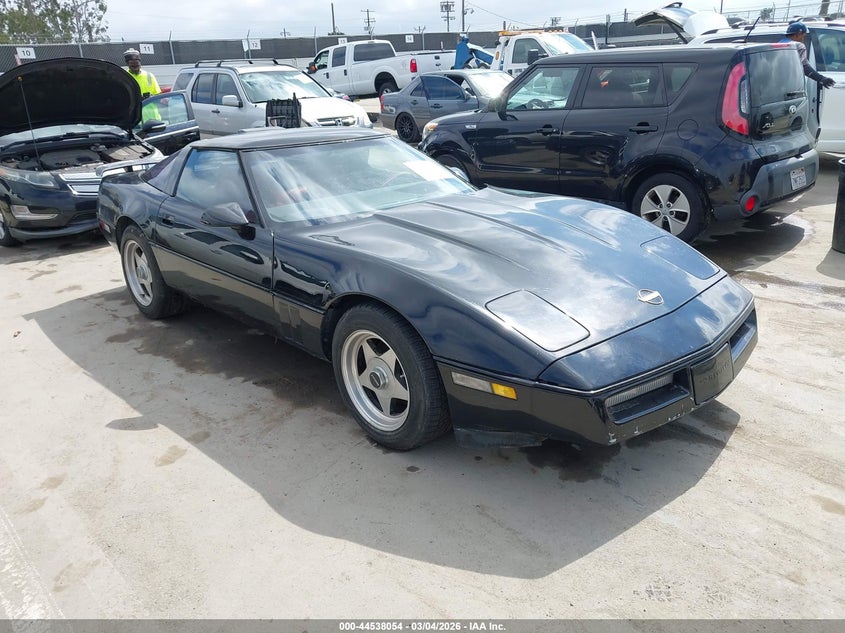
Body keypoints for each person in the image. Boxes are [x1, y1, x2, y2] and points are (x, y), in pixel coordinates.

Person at [780, 23, 836, 88]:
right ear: (798, 34)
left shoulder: (778, 44)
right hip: (791, 86)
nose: (803, 39)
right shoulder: (798, 46)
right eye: (803, 36)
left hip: (776, 85)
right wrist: (821, 79)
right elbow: (804, 67)